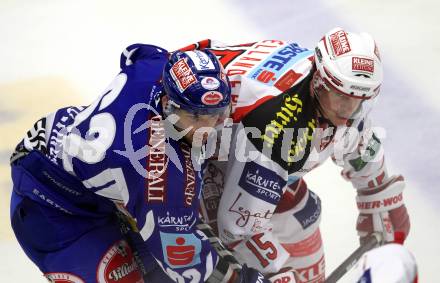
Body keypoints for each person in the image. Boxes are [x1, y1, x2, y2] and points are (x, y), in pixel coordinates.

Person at [9, 44, 268, 283]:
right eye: (196, 116)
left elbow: (136, 52)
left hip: (67, 149)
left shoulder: (156, 67)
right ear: (168, 105)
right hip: (53, 211)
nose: (207, 128)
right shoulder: (158, 172)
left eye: (215, 115)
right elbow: (185, 264)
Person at [181, 28, 410, 283]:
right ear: (319, 83)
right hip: (187, 153)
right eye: (341, 97)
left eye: (358, 100)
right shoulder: (279, 127)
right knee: (208, 257)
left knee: (300, 222)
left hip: (238, 143)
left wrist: (377, 195)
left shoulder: (331, 85)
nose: (348, 109)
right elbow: (237, 227)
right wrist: (279, 273)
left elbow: (354, 134)